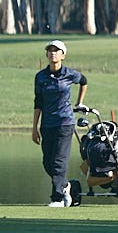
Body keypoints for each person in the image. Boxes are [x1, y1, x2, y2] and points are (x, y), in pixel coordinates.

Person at [31, 39, 88, 207]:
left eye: (56, 50)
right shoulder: (40, 77)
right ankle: (65, 186)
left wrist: (79, 103)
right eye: (50, 50)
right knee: (47, 163)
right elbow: (38, 102)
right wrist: (34, 128)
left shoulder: (69, 74)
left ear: (63, 55)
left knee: (58, 162)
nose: (52, 53)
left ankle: (57, 198)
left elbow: (83, 81)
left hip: (65, 123)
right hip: (47, 124)